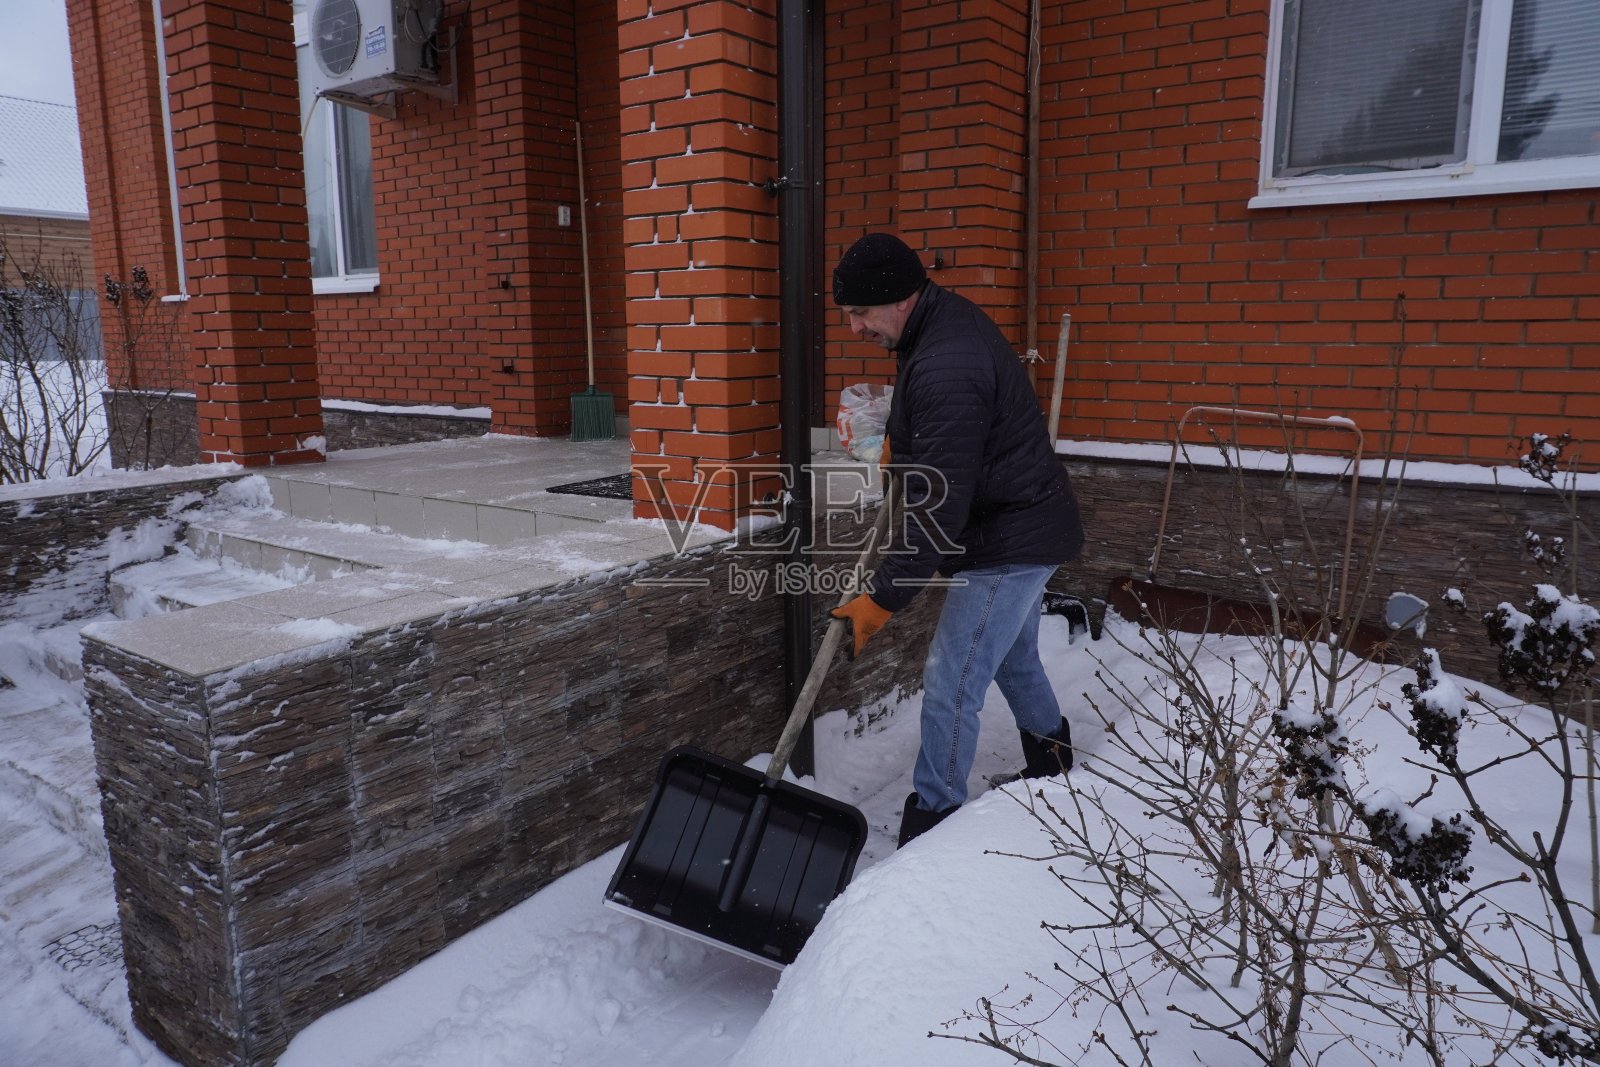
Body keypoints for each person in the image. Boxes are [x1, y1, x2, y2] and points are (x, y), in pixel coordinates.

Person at [828, 232, 1085, 847]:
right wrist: (903, 444)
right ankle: (1052, 760)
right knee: (1013, 656)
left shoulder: (946, 362)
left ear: (899, 300)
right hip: (1026, 521)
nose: (855, 330)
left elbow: (938, 511)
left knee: (953, 678)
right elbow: (954, 444)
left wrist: (882, 598)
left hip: (1009, 540)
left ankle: (933, 821)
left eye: (861, 314)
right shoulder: (940, 328)